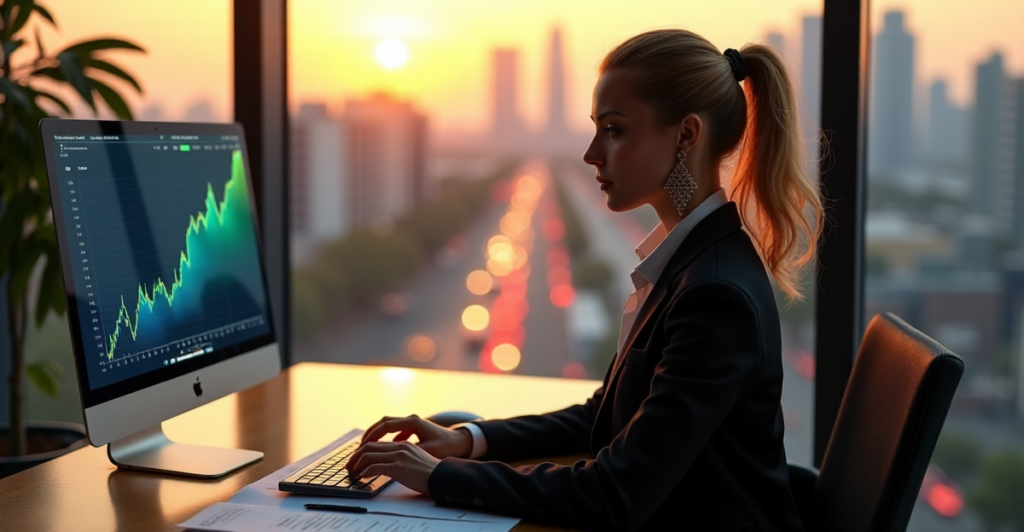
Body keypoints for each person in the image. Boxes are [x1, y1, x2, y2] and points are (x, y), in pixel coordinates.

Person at [346, 28, 822, 532]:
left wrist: (442, 476)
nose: (592, 152)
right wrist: (468, 441)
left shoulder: (714, 294)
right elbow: (605, 415)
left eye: (614, 130)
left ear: (686, 135)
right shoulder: (693, 265)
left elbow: (615, 493)